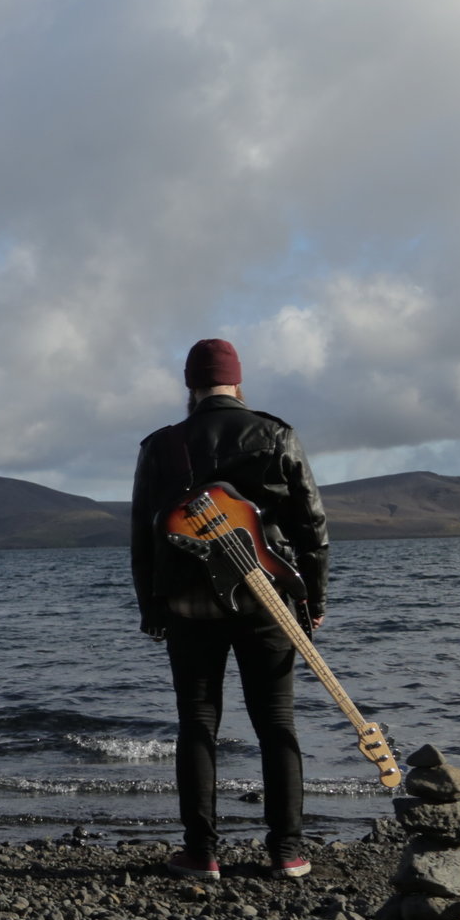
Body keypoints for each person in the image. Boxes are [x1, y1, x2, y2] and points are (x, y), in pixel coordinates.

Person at [130, 338, 329, 882]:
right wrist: (311, 600)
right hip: (268, 598)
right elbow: (312, 528)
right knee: (276, 723)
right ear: (238, 383)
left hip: (189, 602)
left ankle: (201, 853)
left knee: (197, 722)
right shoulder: (276, 434)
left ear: (190, 386)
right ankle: (287, 852)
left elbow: (143, 537)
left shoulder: (160, 446)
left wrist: (151, 605)